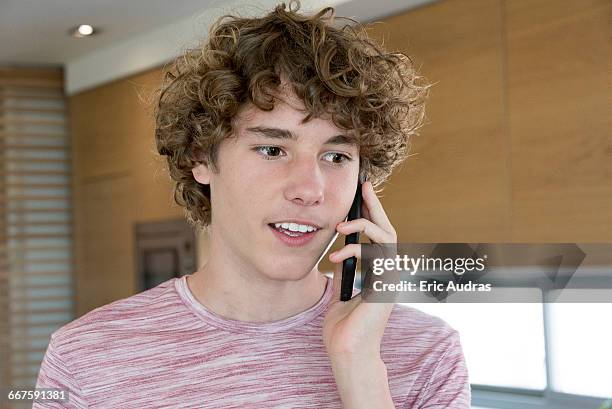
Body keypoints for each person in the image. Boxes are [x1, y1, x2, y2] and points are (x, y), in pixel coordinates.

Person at [34, 2, 470, 407]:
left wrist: (360, 371)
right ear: (201, 158)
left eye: (336, 157)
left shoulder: (426, 353)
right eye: (271, 150)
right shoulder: (85, 359)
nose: (309, 189)